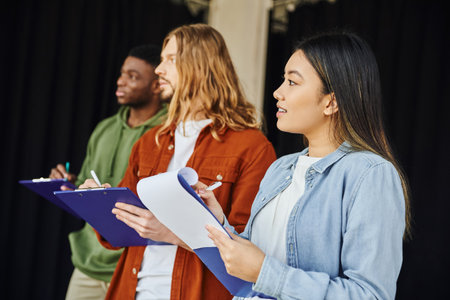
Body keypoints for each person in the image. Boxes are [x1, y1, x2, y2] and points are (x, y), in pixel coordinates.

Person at [203, 31, 411, 300]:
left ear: (331, 102)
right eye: (283, 80)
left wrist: (266, 273)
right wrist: (219, 223)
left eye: (292, 82)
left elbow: (369, 295)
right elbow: (254, 261)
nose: (278, 92)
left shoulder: (370, 174)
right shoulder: (280, 169)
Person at [80, 23, 277, 300]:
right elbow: (121, 235)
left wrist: (169, 233)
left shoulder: (252, 147)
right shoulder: (149, 141)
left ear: (201, 66)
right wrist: (98, 205)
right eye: (161, 60)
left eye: (170, 60)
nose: (159, 70)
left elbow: (249, 247)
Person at [49, 44, 169, 300]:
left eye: (133, 77)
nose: (121, 81)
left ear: (158, 86)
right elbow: (85, 188)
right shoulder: (104, 129)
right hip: (88, 262)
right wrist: (68, 186)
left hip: (135, 264)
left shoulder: (168, 132)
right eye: (123, 73)